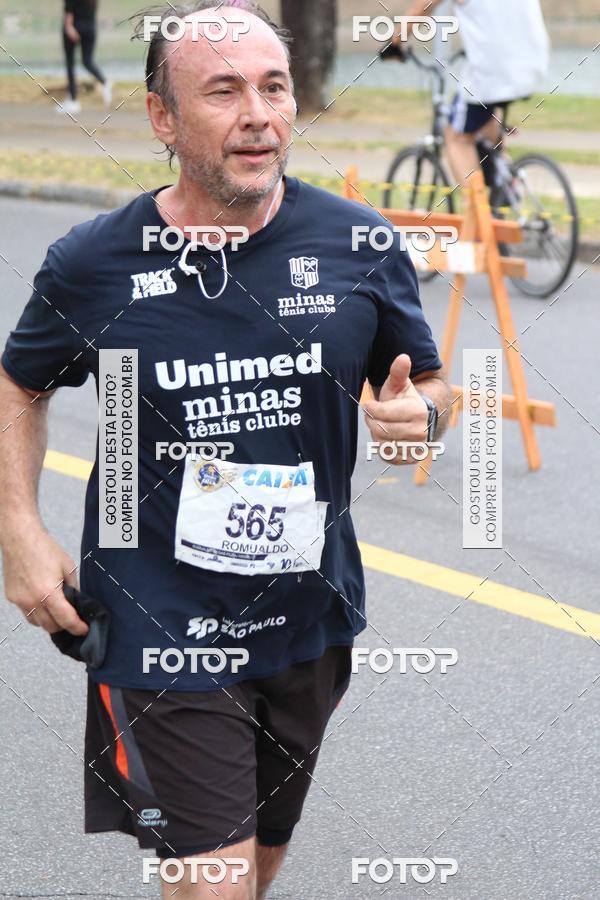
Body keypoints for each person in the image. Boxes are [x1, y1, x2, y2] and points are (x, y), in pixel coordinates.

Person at [0, 2, 451, 897]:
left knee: (258, 866)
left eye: (274, 86)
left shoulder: (358, 243)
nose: (259, 113)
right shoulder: (95, 263)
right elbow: (20, 384)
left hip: (308, 615)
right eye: (225, 90)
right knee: (215, 883)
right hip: (158, 620)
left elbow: (432, 384)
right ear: (163, 118)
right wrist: (20, 530)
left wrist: (423, 418)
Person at [391, 0, 550, 185]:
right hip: (533, 65)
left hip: (493, 72)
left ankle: (476, 209)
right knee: (486, 118)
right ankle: (503, 189)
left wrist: (394, 43)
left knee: (456, 138)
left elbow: (422, 8)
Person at [60, 0, 112, 114]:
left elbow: (69, 11)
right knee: (87, 61)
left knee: (70, 64)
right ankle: (104, 81)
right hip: (90, 28)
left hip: (74, 27)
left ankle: (73, 101)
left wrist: (69, 27)